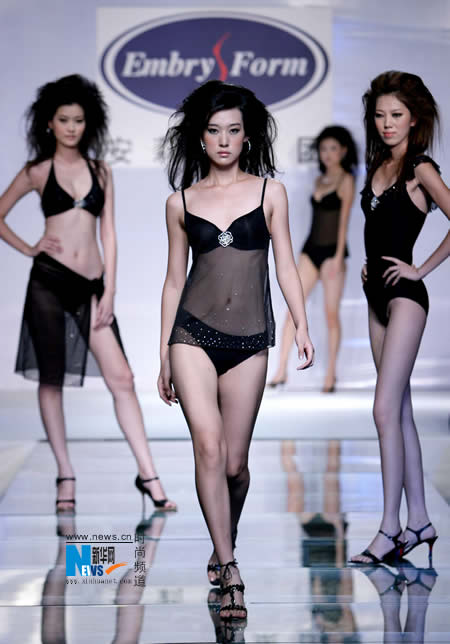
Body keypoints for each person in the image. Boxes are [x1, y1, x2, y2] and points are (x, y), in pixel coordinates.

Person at [158, 80, 314, 621]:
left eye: (233, 130)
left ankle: (225, 537)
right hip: (191, 336)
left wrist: (301, 323)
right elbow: (174, 281)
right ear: (200, 138)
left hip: (249, 340)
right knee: (207, 447)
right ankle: (229, 569)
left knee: (235, 466)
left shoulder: (271, 193)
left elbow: (286, 263)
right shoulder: (180, 202)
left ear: (246, 137)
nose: (223, 140)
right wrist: (163, 353)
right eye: (213, 130)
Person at [0, 74, 176, 513]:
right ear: (49, 123)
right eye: (64, 120)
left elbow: (109, 233)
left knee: (122, 379)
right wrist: (29, 247)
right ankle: (65, 473)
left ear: (88, 123)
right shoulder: (38, 171)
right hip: (48, 281)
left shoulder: (101, 170)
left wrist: (111, 288)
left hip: (93, 286)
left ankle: (148, 473)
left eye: (78, 120)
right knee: (51, 379)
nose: (72, 128)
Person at [350, 71, 449, 565]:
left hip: (406, 297)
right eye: (380, 115)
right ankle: (420, 521)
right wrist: (371, 262)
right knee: (400, 412)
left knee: (384, 411)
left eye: (396, 115)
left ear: (415, 118)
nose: (387, 123)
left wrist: (420, 268)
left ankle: (389, 529)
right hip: (375, 296)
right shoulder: (378, 164)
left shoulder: (420, 168)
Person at [268, 126, 357, 392]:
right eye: (323, 149)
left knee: (331, 315)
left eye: (333, 148)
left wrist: (338, 257)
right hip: (310, 250)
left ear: (343, 151)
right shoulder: (319, 180)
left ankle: (331, 374)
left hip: (332, 252)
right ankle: (281, 370)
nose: (327, 154)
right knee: (293, 311)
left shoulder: (346, 180)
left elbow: (344, 222)